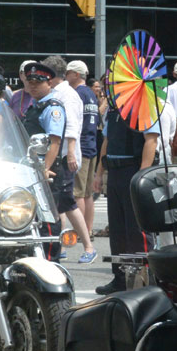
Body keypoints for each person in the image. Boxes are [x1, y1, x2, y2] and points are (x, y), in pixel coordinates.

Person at [23, 61, 96, 264]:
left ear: (49, 83)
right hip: (32, 169)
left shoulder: (54, 107)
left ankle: (51, 259)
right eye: (30, 82)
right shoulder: (36, 106)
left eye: (38, 82)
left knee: (50, 215)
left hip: (50, 168)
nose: (33, 86)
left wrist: (46, 168)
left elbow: (56, 141)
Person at [93, 79, 160, 294]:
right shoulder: (112, 110)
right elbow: (106, 141)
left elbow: (151, 141)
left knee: (137, 229)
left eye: (116, 83)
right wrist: (98, 173)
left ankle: (141, 281)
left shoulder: (144, 105)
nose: (112, 88)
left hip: (134, 169)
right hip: (115, 171)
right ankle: (120, 278)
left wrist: (141, 174)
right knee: (118, 229)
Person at [65, 59, 100, 250]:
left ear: (76, 75)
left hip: (81, 146)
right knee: (87, 193)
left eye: (68, 72)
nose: (65, 75)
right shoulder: (91, 94)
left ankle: (81, 232)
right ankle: (89, 229)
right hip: (92, 144)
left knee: (78, 192)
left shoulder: (77, 94)